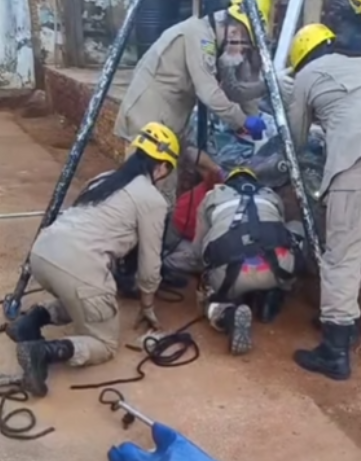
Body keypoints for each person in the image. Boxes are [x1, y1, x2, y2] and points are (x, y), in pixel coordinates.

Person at [5, 123, 179, 398]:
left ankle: (31, 322)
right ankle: (42, 352)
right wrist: (147, 305)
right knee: (106, 343)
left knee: (83, 295)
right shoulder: (152, 200)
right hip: (76, 266)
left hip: (42, 253)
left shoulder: (104, 179)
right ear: (161, 167)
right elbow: (150, 264)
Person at [114, 0, 271, 201]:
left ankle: (157, 228)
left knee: (163, 188)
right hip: (149, 117)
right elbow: (210, 93)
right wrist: (243, 121)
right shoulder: (200, 37)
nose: (243, 53)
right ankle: (142, 230)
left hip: (168, 117)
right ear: (234, 32)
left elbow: (233, 90)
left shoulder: (214, 42)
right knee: (150, 191)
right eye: (245, 44)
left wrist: (264, 88)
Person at [282, 23, 361, 381]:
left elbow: (295, 139)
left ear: (301, 59)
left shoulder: (307, 77)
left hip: (356, 160)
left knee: (340, 254)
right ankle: (350, 319)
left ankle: (335, 350)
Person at [193, 167, 303, 355]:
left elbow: (197, 251)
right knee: (295, 228)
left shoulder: (213, 196)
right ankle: (275, 295)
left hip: (230, 274)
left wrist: (206, 278)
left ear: (227, 182)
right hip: (278, 268)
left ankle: (227, 314)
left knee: (208, 298)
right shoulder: (271, 195)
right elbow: (281, 233)